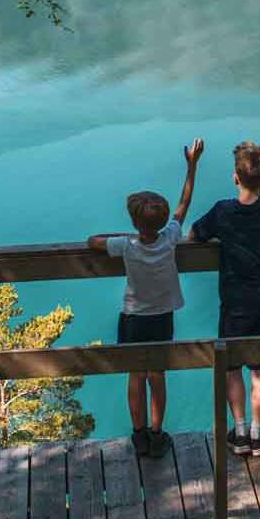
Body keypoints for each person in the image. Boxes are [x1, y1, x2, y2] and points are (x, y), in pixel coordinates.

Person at [87, 139, 202, 458]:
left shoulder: (126, 245)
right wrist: (192, 166)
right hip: (162, 317)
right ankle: (156, 431)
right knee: (157, 375)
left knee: (135, 374)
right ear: (163, 222)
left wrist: (107, 238)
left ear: (135, 223)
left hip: (133, 318)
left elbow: (93, 242)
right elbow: (184, 203)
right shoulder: (171, 238)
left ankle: (137, 434)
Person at [190, 140, 260, 457]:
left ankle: (238, 432)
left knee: (231, 367)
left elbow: (193, 235)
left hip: (236, 301)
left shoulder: (223, 211)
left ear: (235, 177)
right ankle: (258, 432)